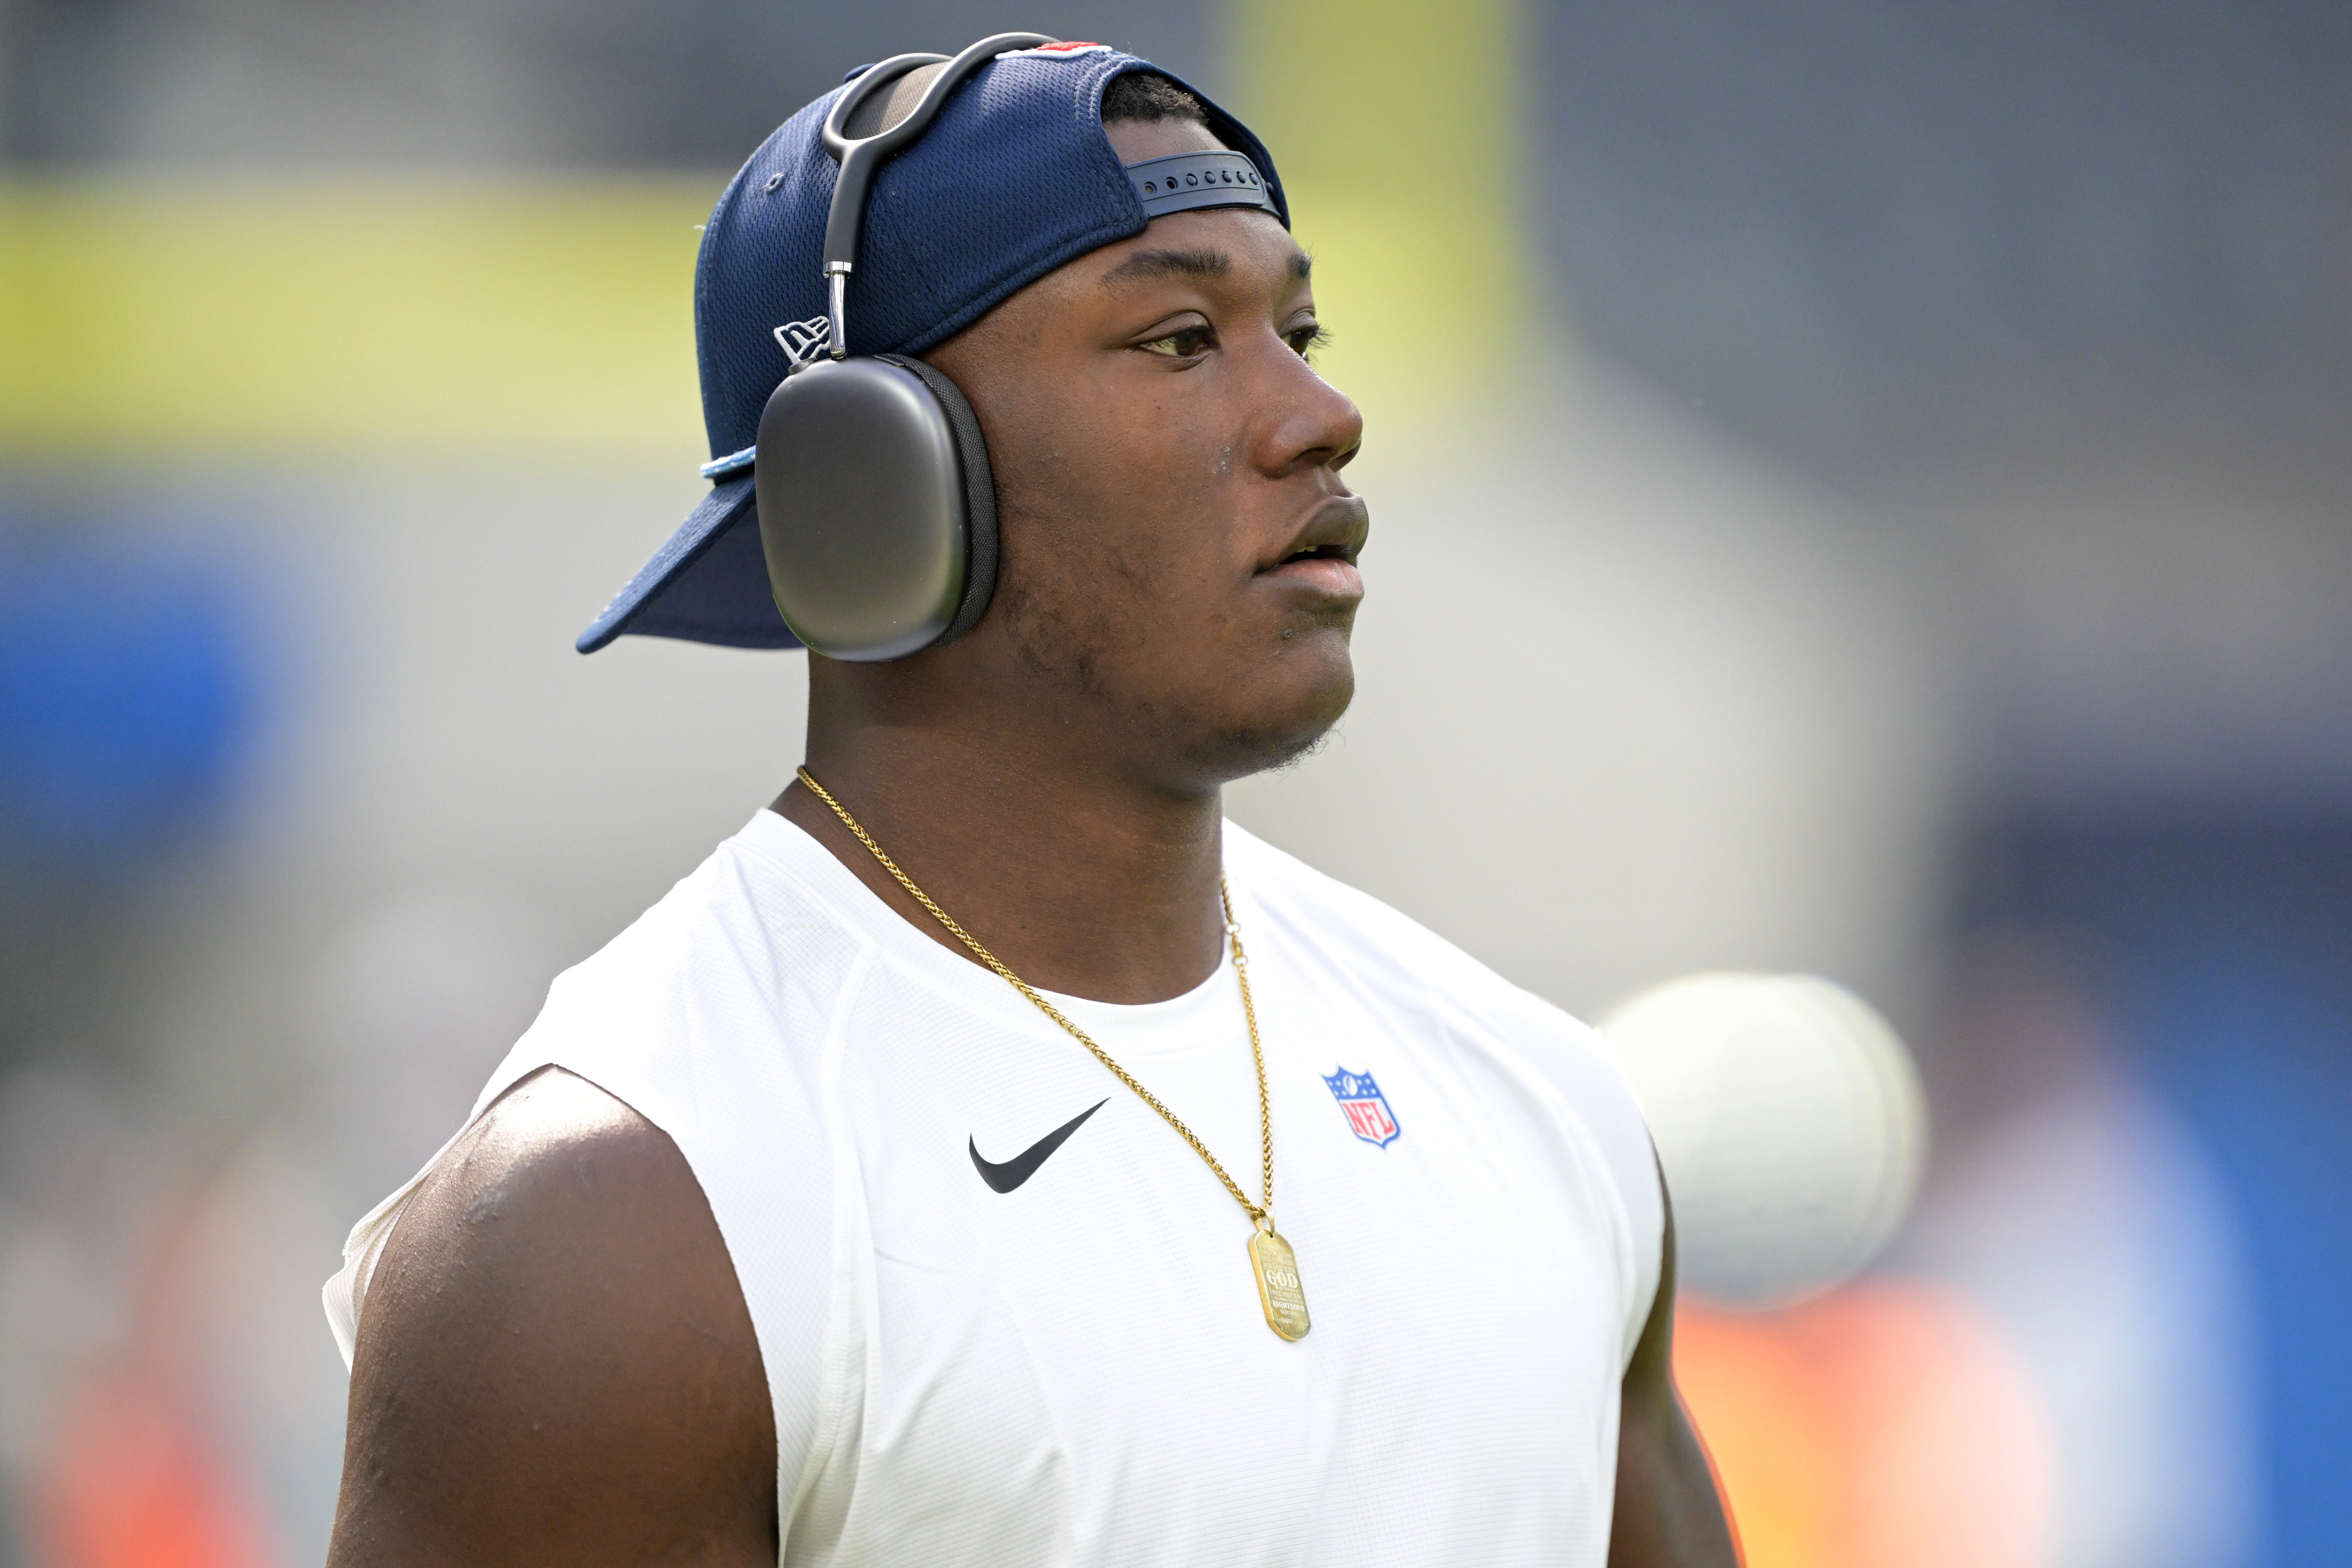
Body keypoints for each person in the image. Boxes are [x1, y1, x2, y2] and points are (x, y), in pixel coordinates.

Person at [322, 40, 1739, 1568]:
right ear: (876, 470)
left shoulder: (1543, 1102)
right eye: (1186, 338)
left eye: (1302, 326)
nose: (1320, 412)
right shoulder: (629, 1220)